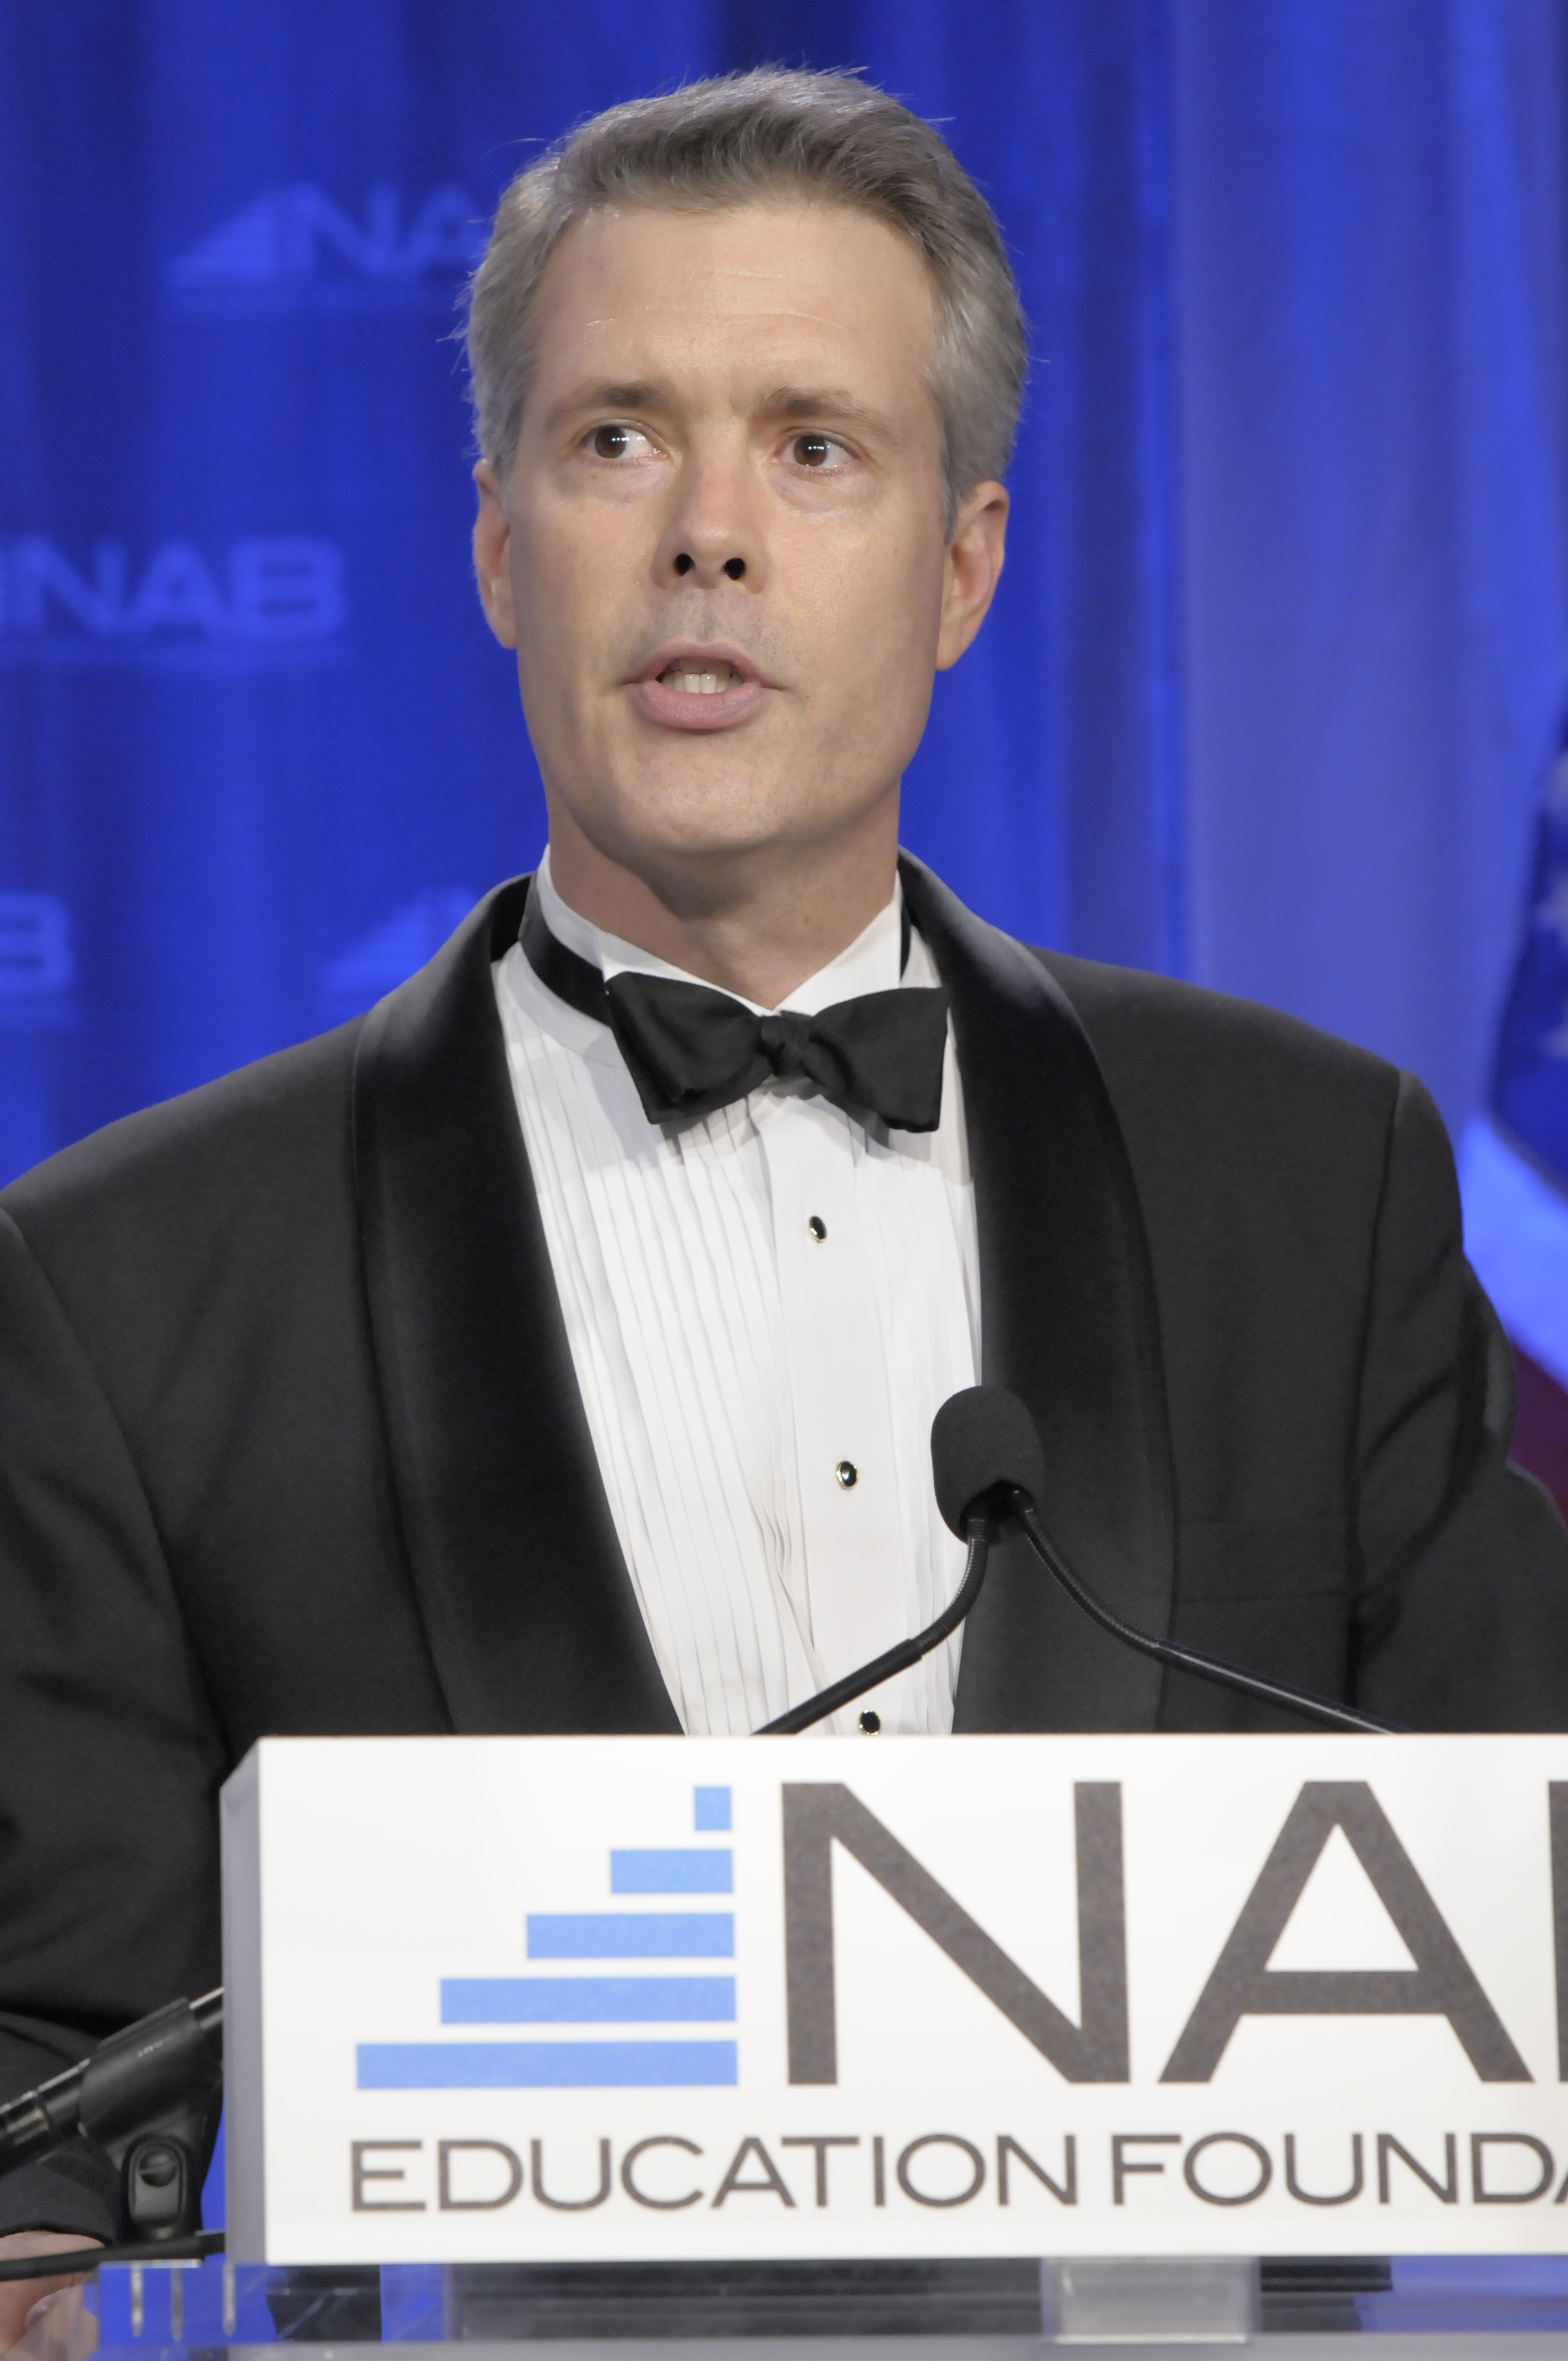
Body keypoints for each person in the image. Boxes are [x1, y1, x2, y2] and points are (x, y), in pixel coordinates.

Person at [0, 66, 1565, 2330]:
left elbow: (1517, 1924)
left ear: (963, 566)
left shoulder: (1310, 1191)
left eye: (814, 447)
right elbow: (50, 2108)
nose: (708, 537)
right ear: (497, 546)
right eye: (618, 439)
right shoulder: (139, 1287)